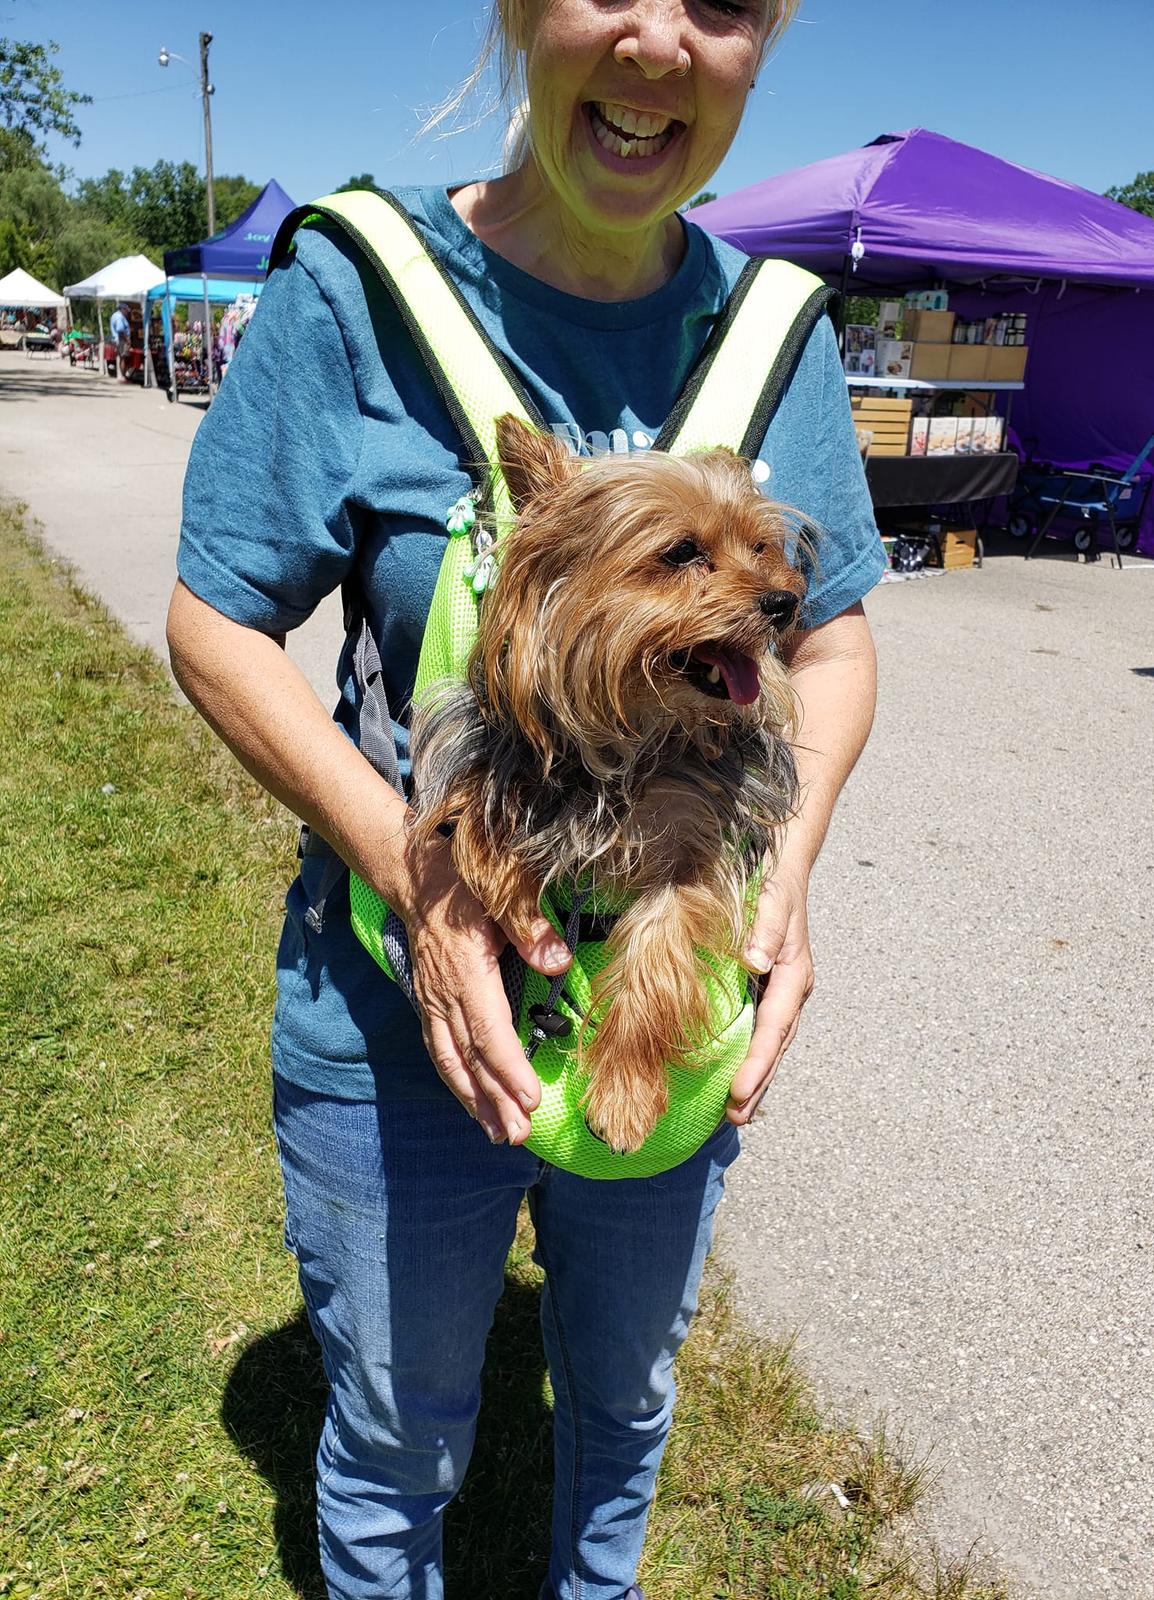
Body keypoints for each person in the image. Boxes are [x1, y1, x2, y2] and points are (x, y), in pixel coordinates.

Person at [166, 3, 884, 1596]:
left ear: (763, 42)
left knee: (623, 1401)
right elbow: (216, 621)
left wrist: (793, 866)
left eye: (721, 4)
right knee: (401, 1435)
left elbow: (827, 642)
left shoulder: (777, 326)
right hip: (385, 1014)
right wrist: (415, 878)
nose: (656, 44)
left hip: (665, 1002)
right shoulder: (357, 284)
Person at [109, 302, 131, 378]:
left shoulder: (115, 315)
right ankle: (123, 376)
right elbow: (120, 330)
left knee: (122, 357)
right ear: (122, 309)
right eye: (126, 310)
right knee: (123, 357)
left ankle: (122, 375)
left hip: (118, 339)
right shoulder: (119, 317)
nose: (127, 313)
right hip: (122, 340)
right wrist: (127, 340)